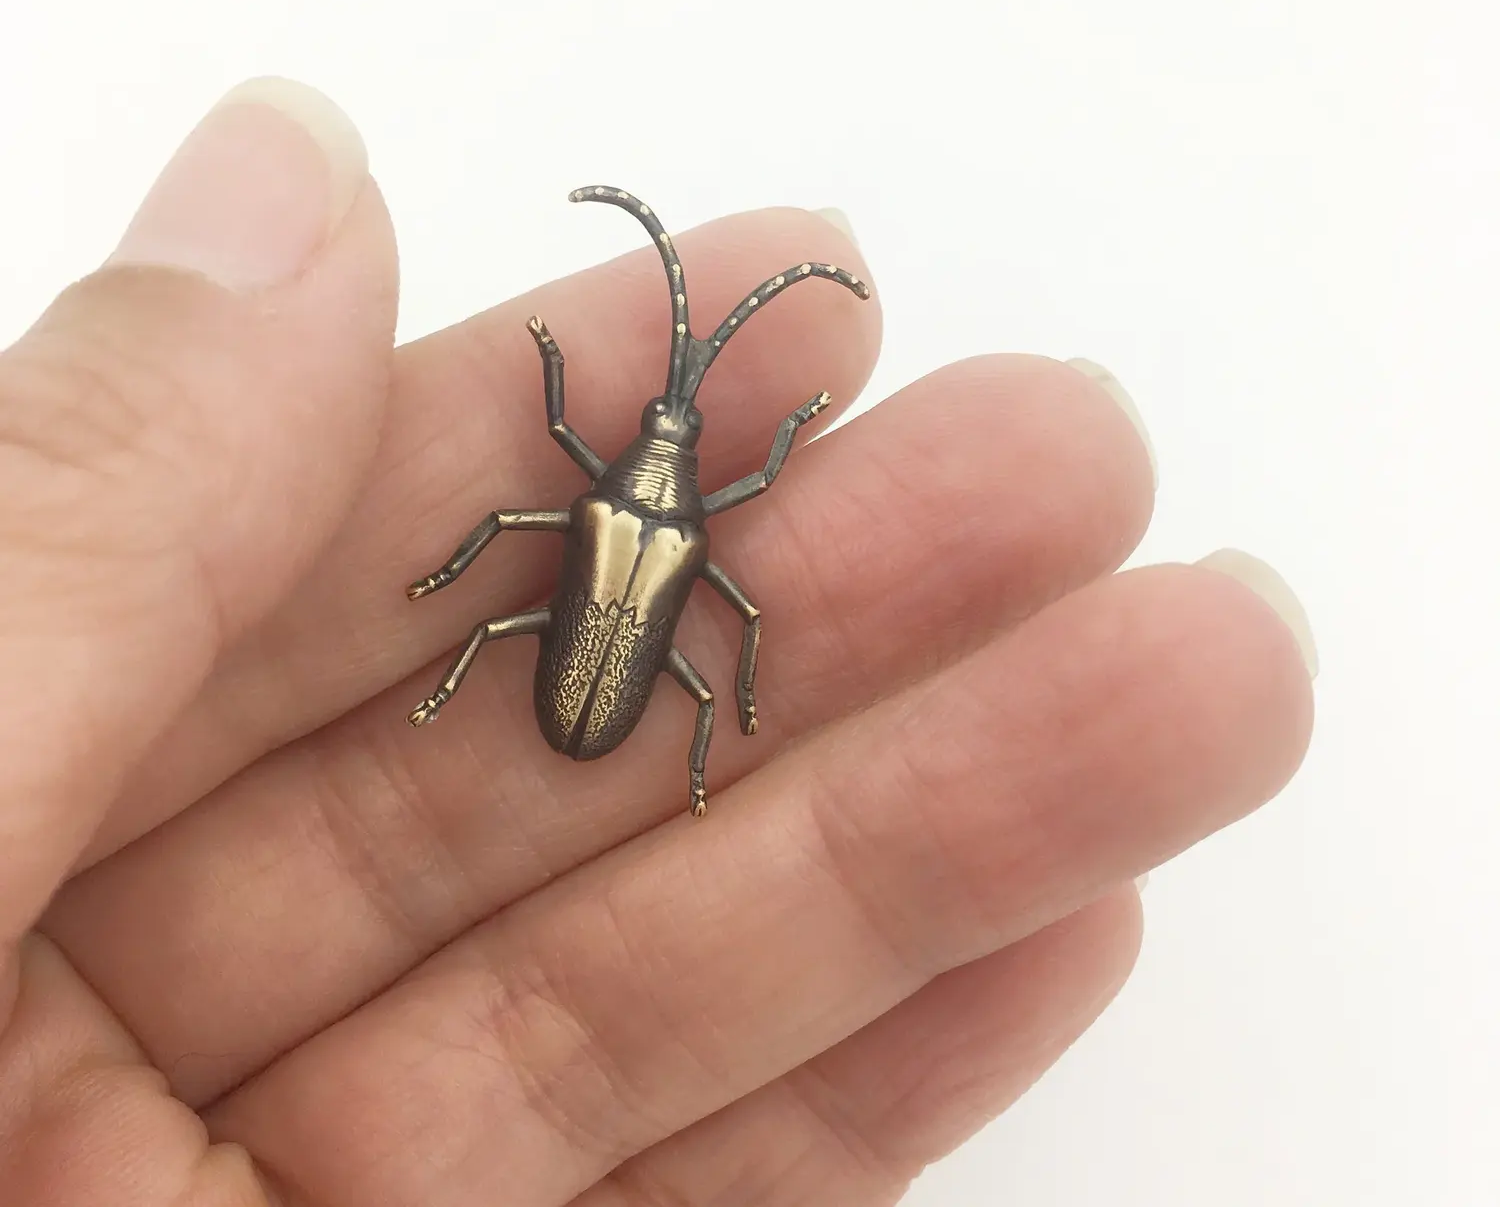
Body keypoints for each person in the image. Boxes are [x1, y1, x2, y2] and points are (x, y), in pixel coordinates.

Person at [0, 79, 1315, 1205]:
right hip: (620, 692)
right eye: (664, 413)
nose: (668, 415)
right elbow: (741, 612)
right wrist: (730, 698)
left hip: (582, 684)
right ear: (664, 457)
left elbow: (572, 475)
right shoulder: (688, 535)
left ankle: (513, 692)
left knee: (502, 615)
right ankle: (644, 741)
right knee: (589, 643)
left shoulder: (598, 501)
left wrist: (510, 525)